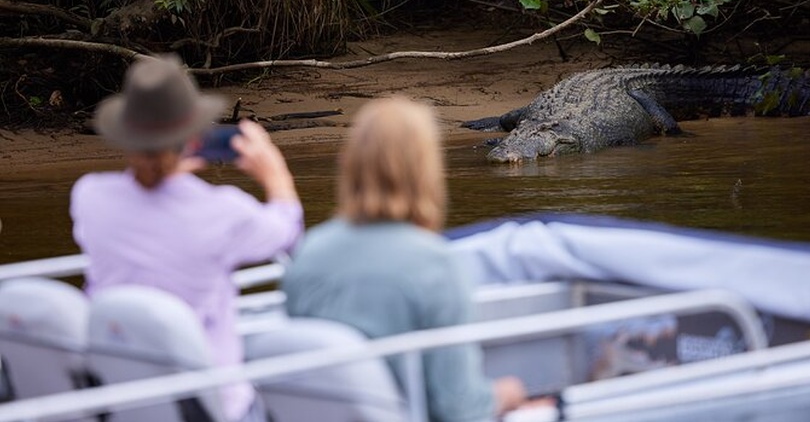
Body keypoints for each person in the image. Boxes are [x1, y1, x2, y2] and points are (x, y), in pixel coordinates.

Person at [70, 54, 304, 422]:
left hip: (121, 399)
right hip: (212, 406)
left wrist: (176, 165)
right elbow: (288, 232)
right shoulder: (223, 210)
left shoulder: (89, 196)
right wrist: (275, 174)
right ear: (194, 137)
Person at [280, 96, 529, 422]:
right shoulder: (435, 264)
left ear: (350, 164)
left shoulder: (308, 251)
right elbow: (460, 410)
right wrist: (510, 392)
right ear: (426, 171)